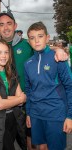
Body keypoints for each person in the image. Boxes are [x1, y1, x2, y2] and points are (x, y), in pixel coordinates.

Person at [0, 11, 69, 150]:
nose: (5, 27)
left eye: (9, 24)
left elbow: (41, 47)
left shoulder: (26, 44)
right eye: (1, 24)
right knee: (6, 142)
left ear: (15, 26)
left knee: (33, 144)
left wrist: (58, 49)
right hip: (7, 103)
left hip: (31, 104)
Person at [24, 21, 72, 150]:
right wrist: (28, 113)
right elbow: (29, 90)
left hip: (55, 114)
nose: (37, 41)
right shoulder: (28, 63)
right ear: (28, 41)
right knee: (41, 147)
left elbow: (70, 87)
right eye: (32, 38)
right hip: (36, 113)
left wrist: (69, 116)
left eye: (40, 36)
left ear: (47, 37)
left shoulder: (58, 58)